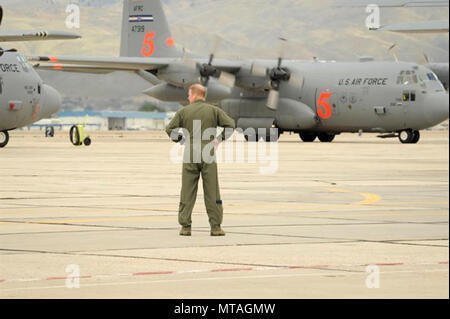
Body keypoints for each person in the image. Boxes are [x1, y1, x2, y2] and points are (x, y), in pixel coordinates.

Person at [165, 84, 236, 237]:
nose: (187, 97)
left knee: (187, 191)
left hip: (190, 152)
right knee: (212, 190)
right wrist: (219, 139)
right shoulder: (214, 110)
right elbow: (230, 125)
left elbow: (169, 129)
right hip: (208, 152)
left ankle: (185, 227)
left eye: (189, 95)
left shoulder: (184, 111)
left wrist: (181, 139)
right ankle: (215, 227)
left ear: (195, 95)